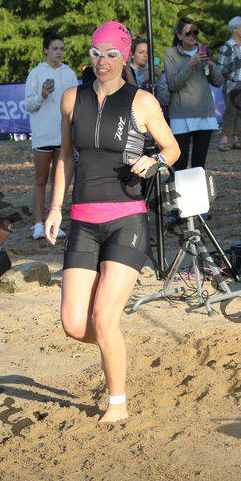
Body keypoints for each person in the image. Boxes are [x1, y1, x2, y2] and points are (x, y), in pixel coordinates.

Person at [45, 21, 180, 423]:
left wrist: (155, 161)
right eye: (95, 53)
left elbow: (172, 148)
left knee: (104, 318)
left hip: (127, 219)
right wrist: (55, 208)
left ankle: (117, 403)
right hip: (82, 220)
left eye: (110, 54)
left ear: (124, 57)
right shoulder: (72, 98)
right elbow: (65, 158)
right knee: (74, 324)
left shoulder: (142, 101)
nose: (101, 61)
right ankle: (112, 345)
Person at [25, 28, 78, 240]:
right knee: (41, 179)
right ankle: (38, 224)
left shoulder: (69, 73)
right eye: (55, 48)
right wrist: (42, 95)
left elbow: (76, 103)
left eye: (62, 49)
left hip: (63, 134)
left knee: (59, 181)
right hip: (43, 135)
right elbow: (29, 105)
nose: (59, 52)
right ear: (45, 50)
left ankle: (54, 222)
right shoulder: (35, 73)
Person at [164, 17, 223, 170]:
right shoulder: (170, 54)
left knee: (199, 165)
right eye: (188, 32)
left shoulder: (205, 51)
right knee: (180, 165)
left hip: (205, 114)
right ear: (179, 35)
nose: (192, 36)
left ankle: (197, 187)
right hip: (180, 115)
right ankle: (177, 186)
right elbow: (173, 84)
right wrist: (190, 64)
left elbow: (218, 82)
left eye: (195, 32)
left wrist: (211, 66)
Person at [218, 16, 241, 151]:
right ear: (234, 29)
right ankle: (224, 141)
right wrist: (229, 76)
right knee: (230, 112)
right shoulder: (227, 45)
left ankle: (236, 140)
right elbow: (220, 65)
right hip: (234, 83)